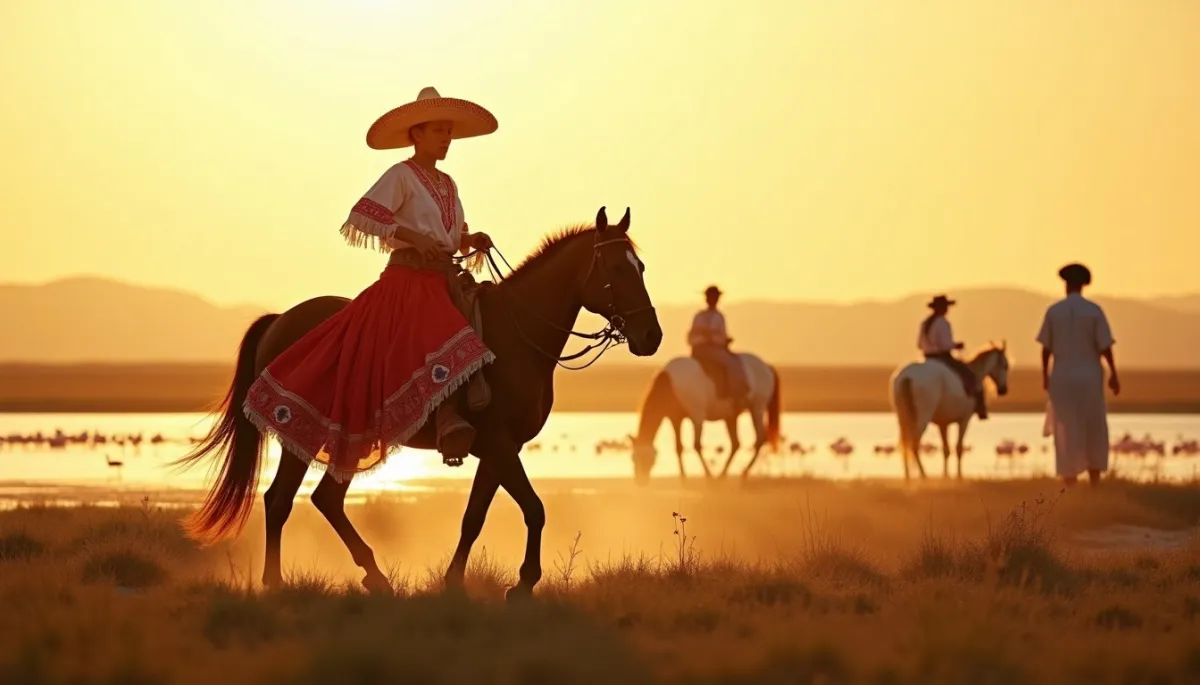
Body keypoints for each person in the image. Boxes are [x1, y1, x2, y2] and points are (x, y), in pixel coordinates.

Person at [242, 87, 499, 475]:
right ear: (416, 134)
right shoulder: (401, 175)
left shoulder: (448, 184)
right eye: (438, 131)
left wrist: (469, 239)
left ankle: (469, 408)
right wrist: (413, 238)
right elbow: (364, 216)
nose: (446, 138)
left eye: (449, 131)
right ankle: (446, 417)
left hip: (443, 274)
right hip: (409, 278)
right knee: (442, 328)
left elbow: (449, 236)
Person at [1036, 262, 1120, 486]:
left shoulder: (1054, 311)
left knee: (1065, 426)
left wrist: (1045, 376)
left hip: (1062, 377)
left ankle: (1069, 478)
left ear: (1066, 285)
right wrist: (1114, 373)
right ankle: (1094, 479)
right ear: (1083, 285)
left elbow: (1046, 348)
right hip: (1090, 378)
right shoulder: (1094, 311)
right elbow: (1105, 347)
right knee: (1094, 425)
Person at [918, 294, 986, 419]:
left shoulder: (925, 323)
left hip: (927, 357)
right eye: (946, 307)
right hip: (942, 357)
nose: (947, 309)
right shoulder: (943, 323)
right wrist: (956, 345)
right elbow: (945, 345)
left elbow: (919, 344)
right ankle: (979, 408)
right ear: (942, 308)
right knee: (970, 375)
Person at [688, 285, 750, 408]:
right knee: (734, 364)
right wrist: (721, 339)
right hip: (708, 350)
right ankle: (736, 396)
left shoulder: (702, 316)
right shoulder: (715, 317)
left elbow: (693, 335)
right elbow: (714, 337)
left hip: (699, 349)